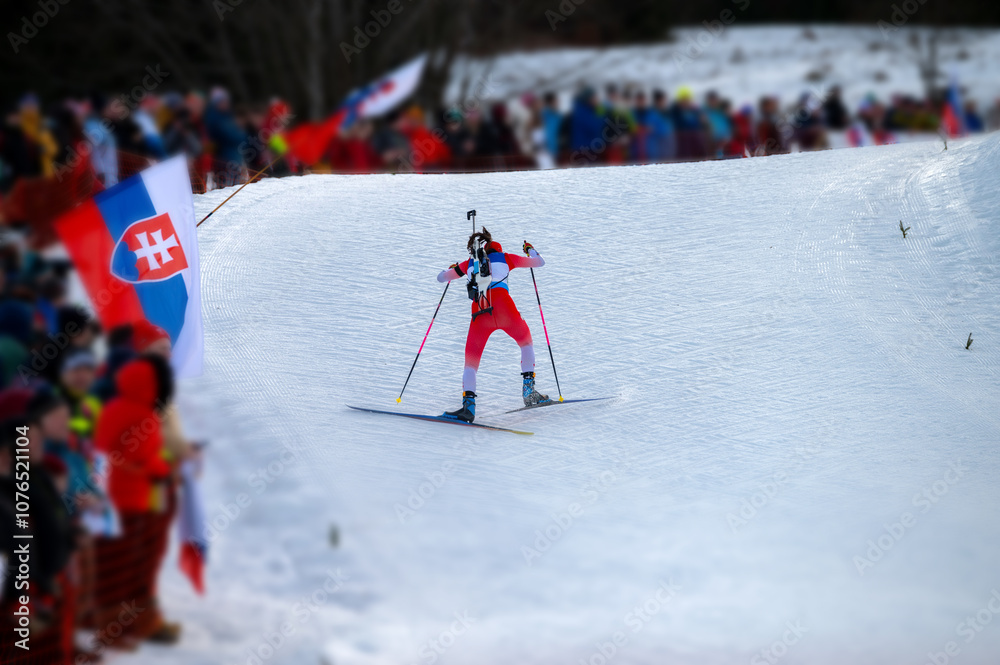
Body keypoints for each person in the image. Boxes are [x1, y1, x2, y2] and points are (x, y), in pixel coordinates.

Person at [436, 228, 550, 422]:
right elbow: (539, 262)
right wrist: (529, 249)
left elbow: (441, 278)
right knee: (526, 343)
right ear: (497, 250)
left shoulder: (469, 264)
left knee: (471, 362)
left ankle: (468, 408)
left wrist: (451, 268)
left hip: (481, 312)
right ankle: (529, 393)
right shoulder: (506, 258)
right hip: (505, 309)